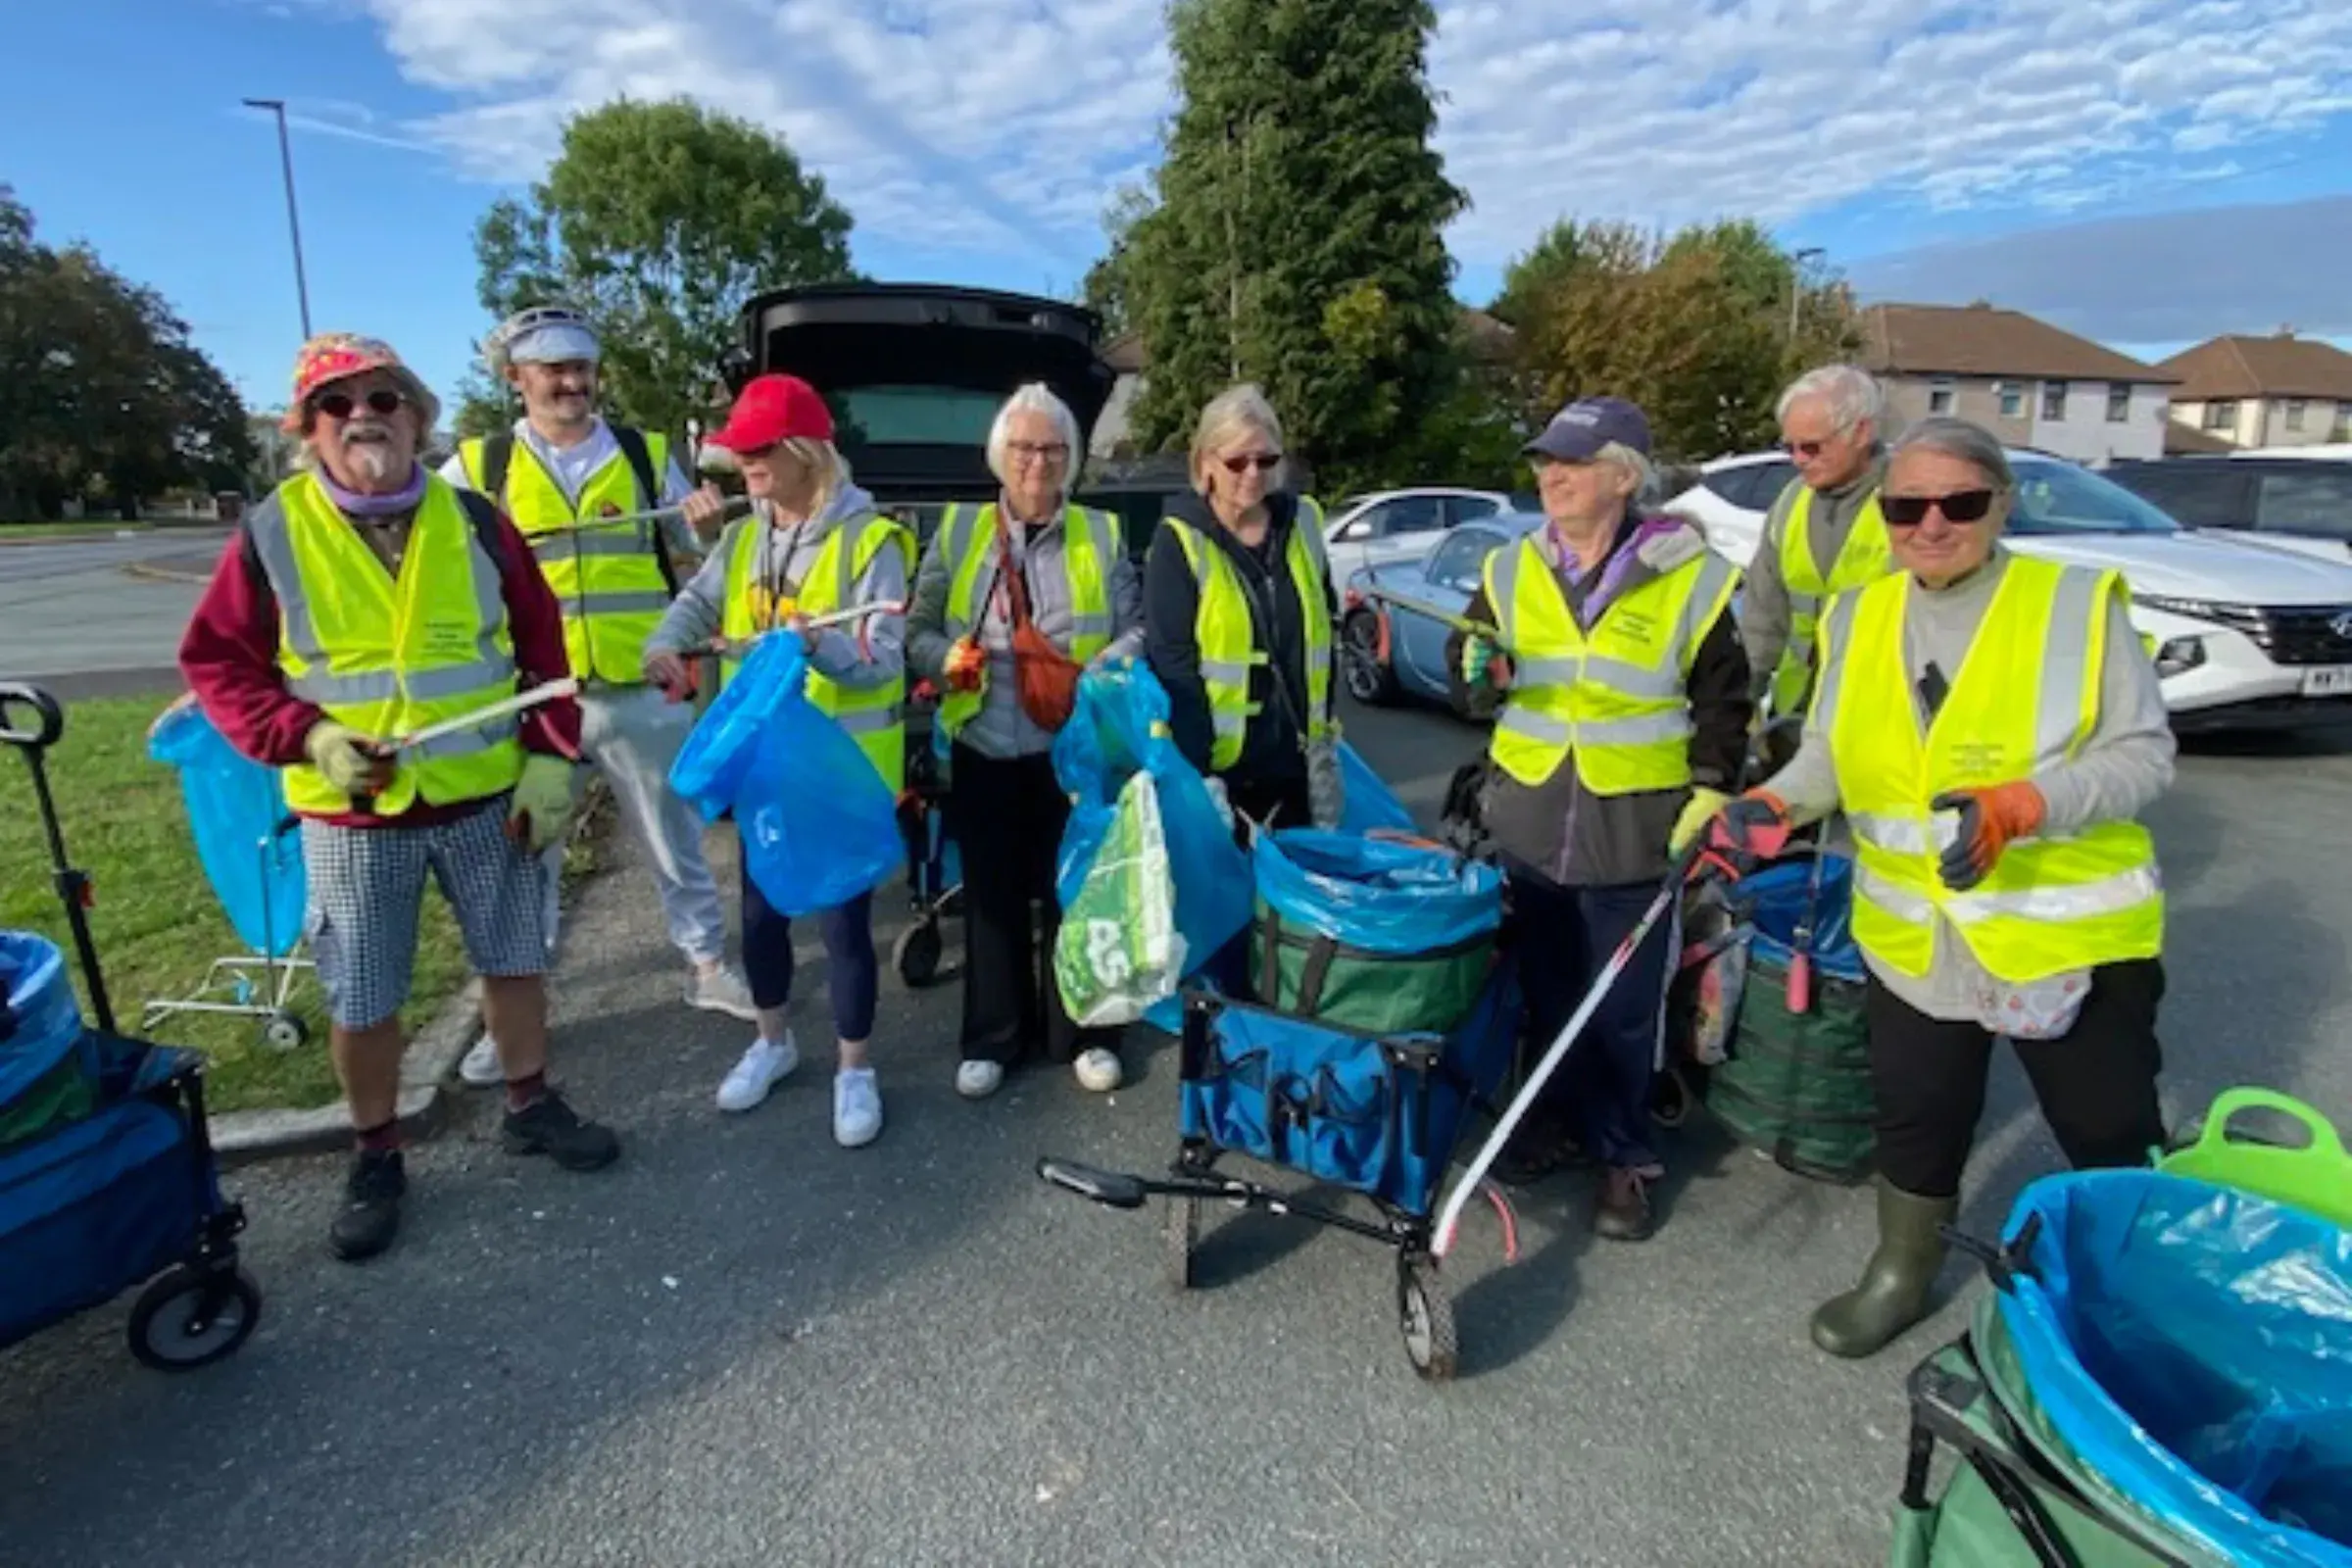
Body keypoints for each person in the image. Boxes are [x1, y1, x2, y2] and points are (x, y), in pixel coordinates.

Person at [1712, 416, 2172, 1358]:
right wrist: (1771, 803)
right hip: (1913, 938)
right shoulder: (1862, 613)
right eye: (1905, 506)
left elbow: (2146, 757)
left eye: (1958, 502)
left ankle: (2140, 1304)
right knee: (1918, 1113)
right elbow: (1831, 756)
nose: (1930, 524)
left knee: (2106, 1123)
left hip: (2061, 936)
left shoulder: (2075, 605)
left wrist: (2031, 803)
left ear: (2002, 503)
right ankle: (1901, 1271)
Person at [178, 333, 618, 1263]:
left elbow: (543, 654)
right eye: (336, 405)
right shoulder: (270, 531)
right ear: (309, 430)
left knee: (514, 959)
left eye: (383, 397)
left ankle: (529, 1103)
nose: (362, 415)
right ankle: (376, 1151)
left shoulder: (478, 522)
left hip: (484, 795)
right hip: (353, 814)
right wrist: (312, 739)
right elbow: (219, 665)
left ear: (417, 414)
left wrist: (550, 761)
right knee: (364, 994)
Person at [1446, 397, 1749, 1241]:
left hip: (1637, 822)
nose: (1551, 476)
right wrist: (1477, 667)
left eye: (1571, 463)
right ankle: (1544, 1125)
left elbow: (1724, 697)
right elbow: (1474, 673)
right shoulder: (1512, 568)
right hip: (1534, 817)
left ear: (1623, 476)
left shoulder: (1691, 574)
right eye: (1546, 461)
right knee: (1543, 988)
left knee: (1620, 1004)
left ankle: (1623, 1152)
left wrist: (1713, 785)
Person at [441, 306, 754, 1089]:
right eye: (553, 370)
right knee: (526, 857)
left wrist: (708, 527)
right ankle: (515, 1011)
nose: (573, 382)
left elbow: (702, 558)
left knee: (673, 835)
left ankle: (707, 966)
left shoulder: (647, 456)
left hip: (639, 687)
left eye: (582, 368)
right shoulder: (478, 468)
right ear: (516, 378)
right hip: (534, 698)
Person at [644, 373, 913, 1147]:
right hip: (763, 767)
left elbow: (883, 659)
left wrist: (817, 642)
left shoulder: (873, 541)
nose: (743, 464)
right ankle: (772, 1042)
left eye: (757, 451)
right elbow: (698, 601)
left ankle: (854, 1067)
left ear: (804, 452)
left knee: (841, 924)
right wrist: (665, 641)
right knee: (759, 917)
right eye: (740, 452)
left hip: (839, 770)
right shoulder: (742, 534)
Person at [907, 383, 1144, 1101]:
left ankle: (1086, 1034)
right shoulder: (955, 533)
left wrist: (1109, 664)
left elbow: (1138, 628)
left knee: (1077, 895)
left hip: (1074, 752)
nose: (1036, 462)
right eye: (1023, 448)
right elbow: (913, 631)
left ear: (1070, 459)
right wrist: (943, 658)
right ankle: (992, 1037)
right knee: (991, 898)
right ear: (999, 458)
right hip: (985, 742)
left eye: (1050, 448)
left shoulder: (1102, 534)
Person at [1144, 383, 1342, 834]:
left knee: (1297, 896)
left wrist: (1324, 737)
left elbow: (1325, 629)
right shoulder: (1178, 540)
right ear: (1205, 464)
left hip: (1298, 763)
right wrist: (1201, 771)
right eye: (1236, 462)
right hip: (1222, 769)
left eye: (1266, 460)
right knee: (1231, 902)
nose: (1252, 473)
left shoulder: (1304, 520)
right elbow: (1173, 662)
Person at [1740, 366, 1893, 728]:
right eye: (1788, 447)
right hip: (1796, 717)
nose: (1798, 460)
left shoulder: (1909, 503)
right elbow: (1762, 620)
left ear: (1861, 432)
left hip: (1877, 721)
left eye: (1812, 447)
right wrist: (1740, 704)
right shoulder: (1791, 502)